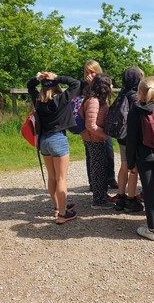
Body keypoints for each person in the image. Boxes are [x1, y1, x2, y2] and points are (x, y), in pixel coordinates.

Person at [27, 71, 80, 224]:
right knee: (61, 178)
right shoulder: (62, 99)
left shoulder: (38, 99)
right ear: (57, 86)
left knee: (52, 177)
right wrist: (56, 77)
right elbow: (75, 83)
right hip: (58, 139)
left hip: (44, 140)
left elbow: (30, 86)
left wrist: (38, 78)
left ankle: (57, 207)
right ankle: (63, 214)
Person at [126, 77, 154, 240]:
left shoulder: (135, 110)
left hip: (143, 156)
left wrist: (130, 163)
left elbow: (131, 140)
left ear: (140, 92)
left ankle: (152, 229)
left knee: (148, 191)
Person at [79, 60, 117, 192]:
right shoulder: (84, 86)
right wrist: (91, 85)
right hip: (91, 128)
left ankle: (110, 178)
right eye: (87, 72)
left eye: (93, 71)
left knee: (109, 151)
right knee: (92, 156)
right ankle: (94, 183)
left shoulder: (104, 82)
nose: (90, 74)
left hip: (103, 125)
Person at [112, 66, 145, 214]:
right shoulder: (134, 96)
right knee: (134, 169)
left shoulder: (121, 94)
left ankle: (121, 197)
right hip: (132, 138)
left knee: (124, 165)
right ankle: (131, 200)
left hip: (121, 136)